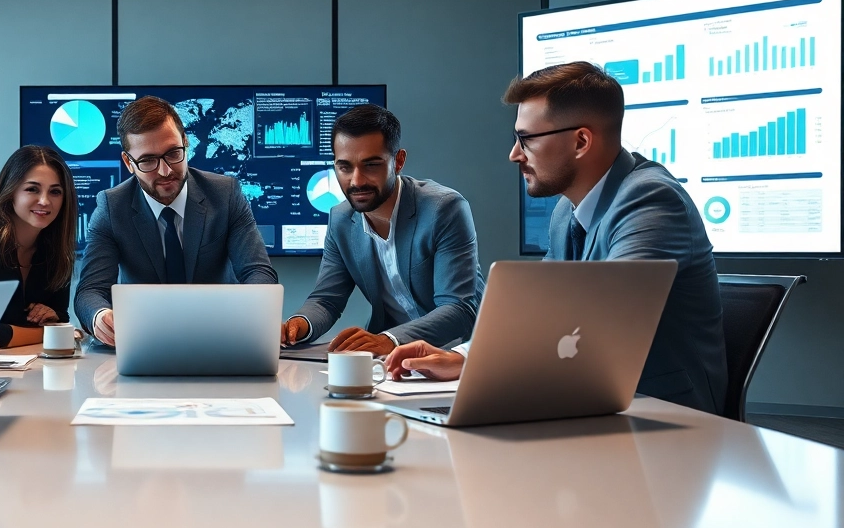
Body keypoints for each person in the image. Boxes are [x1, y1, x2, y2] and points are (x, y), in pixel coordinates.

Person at [385, 61, 727, 414]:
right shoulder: (565, 212)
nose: (514, 154)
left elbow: (603, 324)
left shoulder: (651, 200)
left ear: (581, 141)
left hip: (665, 419)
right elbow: (542, 314)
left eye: (527, 139)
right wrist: (462, 357)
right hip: (589, 406)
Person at [74, 95, 279, 345]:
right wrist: (100, 316)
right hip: (144, 341)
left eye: (173, 153)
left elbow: (257, 271)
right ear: (129, 163)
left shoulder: (225, 195)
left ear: (185, 142)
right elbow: (90, 291)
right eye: (148, 160)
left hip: (220, 337)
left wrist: (252, 313)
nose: (165, 171)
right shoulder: (112, 207)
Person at [281, 104, 484, 355]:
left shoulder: (444, 208)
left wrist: (390, 339)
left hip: (460, 353)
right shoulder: (340, 219)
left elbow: (458, 308)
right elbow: (326, 300)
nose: (356, 181)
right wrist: (298, 325)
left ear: (398, 161)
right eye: (345, 167)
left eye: (371, 165)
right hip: (391, 361)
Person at [0, 145, 78, 348]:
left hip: (31, 358)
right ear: (11, 192)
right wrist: (49, 332)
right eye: (32, 189)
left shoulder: (57, 249)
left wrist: (51, 317)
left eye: (55, 192)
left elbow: (61, 316)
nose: (45, 201)